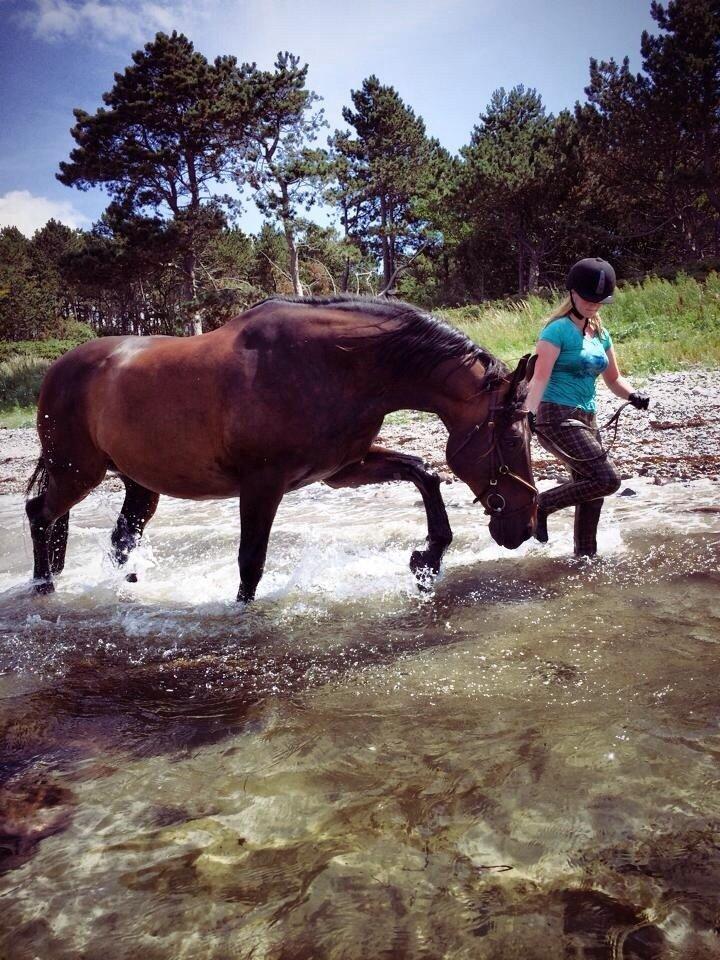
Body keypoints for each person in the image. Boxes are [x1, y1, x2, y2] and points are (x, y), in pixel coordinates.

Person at [523, 258, 649, 557]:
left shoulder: (601, 335)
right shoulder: (556, 331)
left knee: (592, 493)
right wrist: (527, 416)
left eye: (599, 301)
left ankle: (585, 557)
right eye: (588, 298)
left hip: (587, 418)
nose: (593, 305)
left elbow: (614, 379)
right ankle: (541, 505)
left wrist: (633, 395)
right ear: (572, 294)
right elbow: (538, 379)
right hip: (554, 417)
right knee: (607, 480)